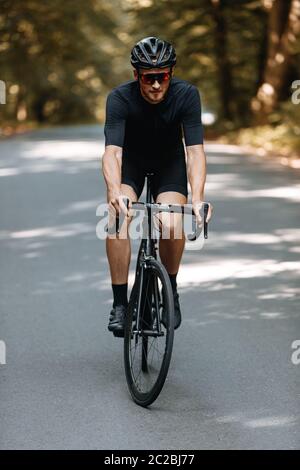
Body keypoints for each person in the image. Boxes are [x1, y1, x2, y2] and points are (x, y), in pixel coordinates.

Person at [102, 36, 212, 337]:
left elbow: (195, 151)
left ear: (171, 74)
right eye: (148, 78)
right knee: (116, 219)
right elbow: (112, 152)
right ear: (136, 75)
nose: (155, 85)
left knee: (172, 222)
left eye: (161, 77)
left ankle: (171, 288)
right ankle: (120, 304)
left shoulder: (187, 95)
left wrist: (198, 197)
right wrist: (114, 192)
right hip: (132, 164)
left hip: (169, 164)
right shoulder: (120, 98)